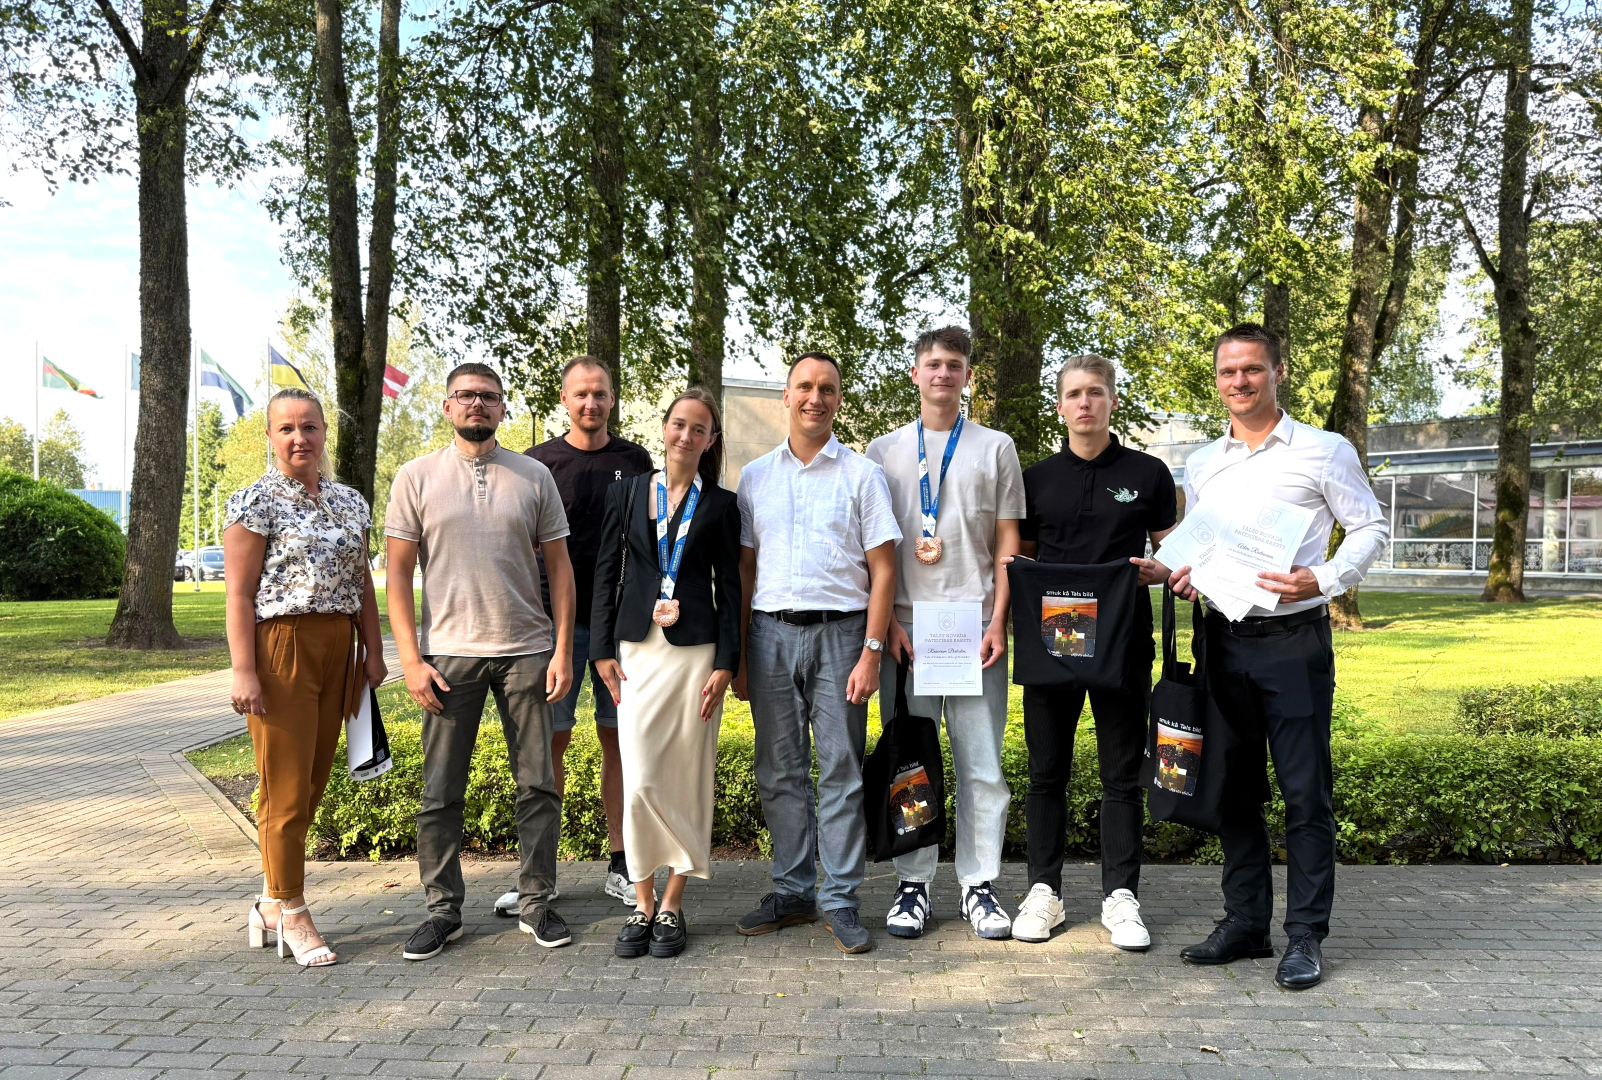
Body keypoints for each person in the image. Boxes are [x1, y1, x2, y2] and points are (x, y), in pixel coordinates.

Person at [1156, 323, 1388, 990]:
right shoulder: (1204, 463)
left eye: (1252, 369)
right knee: (1233, 788)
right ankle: (1246, 924)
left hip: (1294, 644)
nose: (1240, 381)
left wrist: (1326, 578)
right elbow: (1201, 544)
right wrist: (1182, 573)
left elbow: (1370, 525)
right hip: (1222, 640)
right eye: (1228, 372)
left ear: (1277, 372)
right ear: (1218, 380)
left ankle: (1305, 935)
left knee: (1305, 792)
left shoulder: (1324, 450)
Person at [385, 362, 577, 960]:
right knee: (440, 790)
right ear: (447, 407)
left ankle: (536, 901)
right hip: (448, 657)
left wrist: (562, 649)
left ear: (502, 408)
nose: (477, 405)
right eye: (465, 396)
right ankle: (443, 911)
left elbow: (561, 569)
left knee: (538, 784)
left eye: (488, 397)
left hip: (527, 651)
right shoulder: (415, 477)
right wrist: (411, 660)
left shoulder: (534, 476)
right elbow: (397, 576)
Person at [732, 352, 901, 955]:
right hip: (769, 636)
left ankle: (840, 897)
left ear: (838, 399)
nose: (815, 397)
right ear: (786, 396)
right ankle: (793, 891)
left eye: (827, 388)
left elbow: (884, 570)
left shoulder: (862, 475)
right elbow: (745, 570)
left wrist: (871, 652)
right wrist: (740, 655)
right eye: (804, 386)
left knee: (840, 771)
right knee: (779, 771)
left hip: (842, 637)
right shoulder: (755, 477)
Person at [1007, 354, 1177, 949]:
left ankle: (1120, 897)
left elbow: (1172, 551)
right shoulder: (1034, 479)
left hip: (1123, 645)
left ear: (1111, 402)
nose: (1086, 403)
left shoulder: (1149, 473)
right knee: (1045, 773)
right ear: (1060, 406)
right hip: (1051, 646)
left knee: (1122, 776)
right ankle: (1043, 892)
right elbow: (1023, 560)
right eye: (1075, 393)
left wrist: (1162, 570)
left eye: (1096, 392)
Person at [864, 326, 1024, 941]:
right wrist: (887, 624)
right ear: (915, 373)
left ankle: (979, 884)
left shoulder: (996, 447)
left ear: (967, 376)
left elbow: (1008, 542)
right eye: (932, 363)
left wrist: (1000, 619)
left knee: (982, 767)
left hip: (976, 630)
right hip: (907, 633)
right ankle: (914, 883)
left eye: (954, 365)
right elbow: (873, 547)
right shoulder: (882, 451)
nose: (943, 373)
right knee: (911, 763)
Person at [224, 387, 386, 967]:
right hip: (282, 647)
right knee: (286, 789)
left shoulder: (349, 501)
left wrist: (373, 650)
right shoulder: (254, 502)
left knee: (312, 783)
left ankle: (269, 901)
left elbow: (363, 582)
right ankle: (292, 910)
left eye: (310, 426)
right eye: (287, 428)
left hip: (339, 645)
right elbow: (239, 595)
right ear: (270, 436)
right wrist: (245, 670)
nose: (300, 438)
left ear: (324, 433)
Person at [490, 356, 653, 917]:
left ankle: (622, 865)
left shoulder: (635, 461)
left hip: (619, 627)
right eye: (581, 394)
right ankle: (541, 876)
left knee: (619, 742)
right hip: (550, 626)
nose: (591, 403)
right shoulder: (536, 463)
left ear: (612, 399)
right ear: (564, 399)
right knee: (547, 747)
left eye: (600, 394)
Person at [589, 388, 741, 958]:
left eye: (699, 429)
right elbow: (606, 570)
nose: (686, 435)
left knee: (689, 774)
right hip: (636, 650)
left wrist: (727, 663)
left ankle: (672, 904)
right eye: (679, 424)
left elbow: (731, 589)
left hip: (696, 653)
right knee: (640, 776)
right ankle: (641, 899)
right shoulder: (627, 491)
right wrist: (600, 648)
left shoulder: (721, 505)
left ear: (710, 440)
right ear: (664, 427)